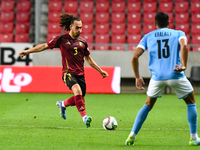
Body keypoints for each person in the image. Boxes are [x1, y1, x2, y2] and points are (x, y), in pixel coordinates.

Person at [19, 13, 108, 128]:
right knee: (77, 91)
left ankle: (63, 104)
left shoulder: (83, 42)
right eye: (77, 28)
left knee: (80, 100)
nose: (80, 30)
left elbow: (88, 59)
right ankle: (85, 118)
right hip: (68, 73)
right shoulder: (61, 39)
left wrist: (100, 70)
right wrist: (27, 51)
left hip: (81, 74)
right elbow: (44, 46)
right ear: (71, 27)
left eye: (81, 27)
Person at [125, 12, 200, 146]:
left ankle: (131, 136)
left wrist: (137, 77)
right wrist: (183, 65)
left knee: (148, 105)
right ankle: (193, 138)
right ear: (169, 23)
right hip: (175, 74)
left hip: (157, 77)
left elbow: (134, 57)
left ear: (155, 23)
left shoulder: (147, 37)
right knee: (191, 102)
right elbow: (184, 46)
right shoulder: (178, 33)